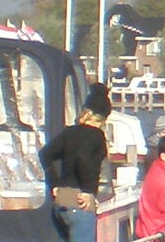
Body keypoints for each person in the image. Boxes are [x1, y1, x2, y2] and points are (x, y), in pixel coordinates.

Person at [39, 82, 111, 216]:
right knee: (83, 236)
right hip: (79, 202)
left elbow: (45, 154)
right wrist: (88, 191)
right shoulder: (96, 135)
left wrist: (54, 184)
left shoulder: (69, 132)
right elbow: (82, 156)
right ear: (103, 117)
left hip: (62, 199)